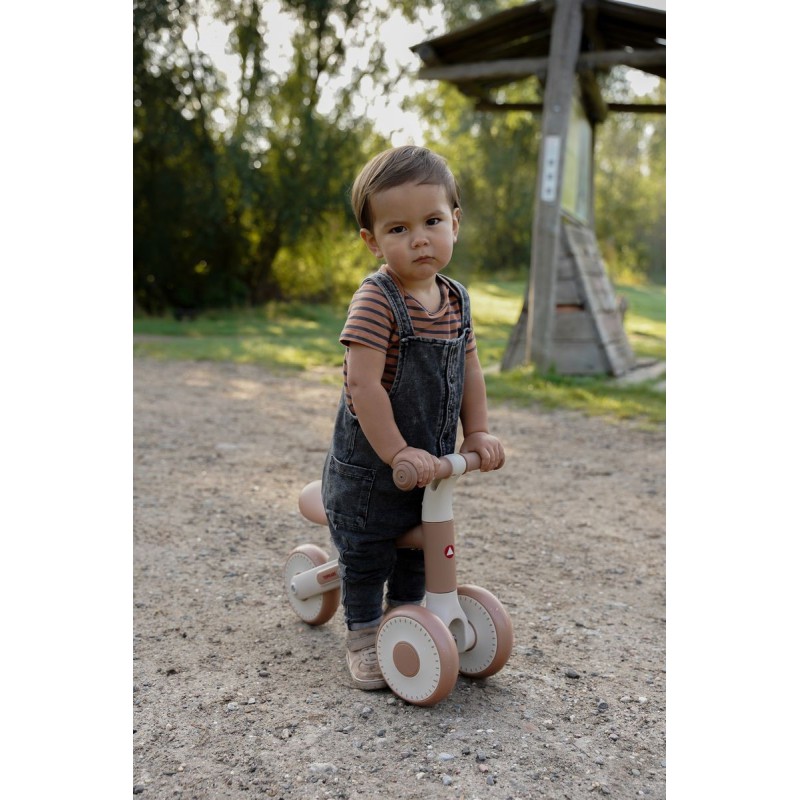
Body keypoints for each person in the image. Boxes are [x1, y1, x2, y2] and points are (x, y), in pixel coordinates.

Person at [320, 145, 505, 690]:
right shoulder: (376, 300)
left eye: (432, 222)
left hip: (427, 468)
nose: (419, 238)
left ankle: (405, 619)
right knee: (368, 551)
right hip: (373, 472)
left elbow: (470, 370)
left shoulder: (456, 301)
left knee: (422, 549)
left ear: (455, 223)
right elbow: (362, 385)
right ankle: (363, 633)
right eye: (398, 229)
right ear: (373, 241)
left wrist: (478, 432)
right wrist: (397, 451)